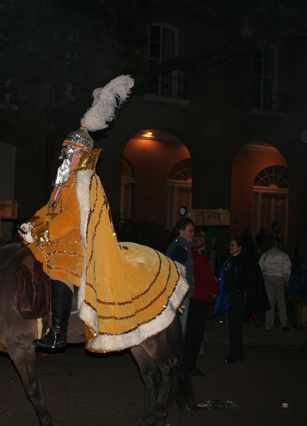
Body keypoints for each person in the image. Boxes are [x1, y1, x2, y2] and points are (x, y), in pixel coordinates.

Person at [20, 75, 187, 353]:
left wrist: (41, 233)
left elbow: (71, 219)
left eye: (70, 152)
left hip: (74, 244)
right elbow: (48, 210)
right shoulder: (63, 183)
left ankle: (58, 331)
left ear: (82, 154)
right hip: (57, 238)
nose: (66, 156)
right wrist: (31, 224)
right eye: (65, 151)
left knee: (60, 269)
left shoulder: (83, 182)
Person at [183, 231, 219, 376]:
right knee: (196, 335)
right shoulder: (200, 258)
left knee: (190, 332)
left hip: (191, 298)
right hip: (200, 298)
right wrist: (216, 288)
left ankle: (186, 363)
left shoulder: (190, 256)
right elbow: (207, 277)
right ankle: (189, 365)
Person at [215, 237, 253, 363]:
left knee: (234, 326)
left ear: (240, 247)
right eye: (230, 245)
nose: (230, 247)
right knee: (234, 326)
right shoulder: (230, 259)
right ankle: (238, 353)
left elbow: (248, 277)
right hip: (230, 295)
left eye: (233, 245)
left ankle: (235, 354)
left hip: (237, 296)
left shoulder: (242, 260)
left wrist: (239, 289)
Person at [166, 218, 195, 332]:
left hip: (180, 295)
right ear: (181, 231)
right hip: (180, 296)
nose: (192, 234)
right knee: (180, 327)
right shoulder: (179, 248)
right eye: (190, 231)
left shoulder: (183, 246)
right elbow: (177, 271)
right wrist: (183, 291)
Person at [258, 236, 292, 331]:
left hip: (267, 276)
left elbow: (260, 267)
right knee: (281, 300)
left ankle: (269, 325)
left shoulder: (266, 254)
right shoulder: (283, 255)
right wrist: (286, 279)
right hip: (279, 277)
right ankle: (284, 324)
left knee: (270, 300)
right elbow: (287, 269)